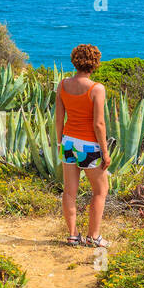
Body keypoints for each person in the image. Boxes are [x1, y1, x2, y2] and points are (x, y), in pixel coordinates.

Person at [54, 44, 110, 247]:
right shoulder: (97, 89)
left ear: (74, 61)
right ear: (95, 63)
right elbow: (99, 124)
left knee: (70, 191)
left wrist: (61, 142)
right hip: (89, 146)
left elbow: (59, 118)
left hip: (68, 142)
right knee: (100, 191)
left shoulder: (63, 85)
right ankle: (93, 237)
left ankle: (72, 235)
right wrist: (105, 152)